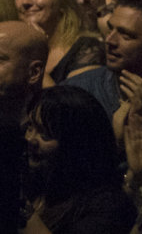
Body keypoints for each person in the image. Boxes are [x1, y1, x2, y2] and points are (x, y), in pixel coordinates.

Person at [22, 85, 135, 234]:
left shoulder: (107, 205)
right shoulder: (33, 178)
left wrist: (23, 211)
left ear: (76, 144)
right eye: (30, 127)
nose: (30, 140)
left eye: (45, 134)